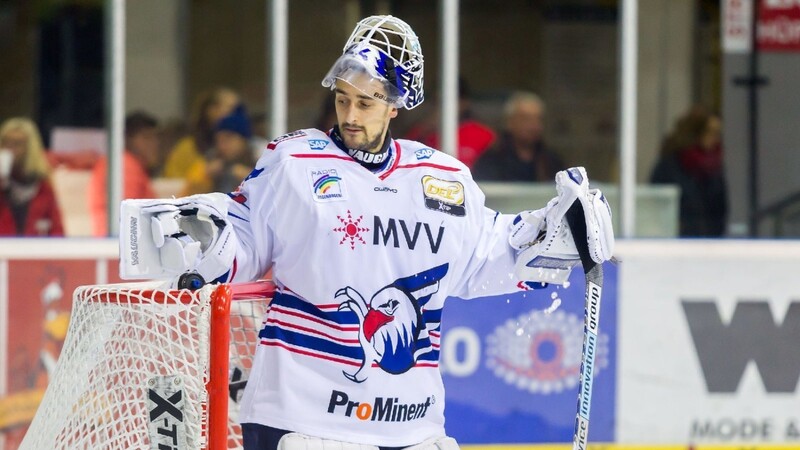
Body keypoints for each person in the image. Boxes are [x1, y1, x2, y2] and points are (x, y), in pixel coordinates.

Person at [118, 15, 615, 450]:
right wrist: (206, 239)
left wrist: (559, 235)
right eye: (342, 99)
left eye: (368, 103)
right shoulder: (294, 161)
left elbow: (487, 256)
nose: (351, 116)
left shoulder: (442, 179)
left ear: (396, 105)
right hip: (303, 417)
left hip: (410, 426)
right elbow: (247, 236)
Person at [650, 105, 727, 236]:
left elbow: (721, 209)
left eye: (718, 133)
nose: (715, 138)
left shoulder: (714, 167)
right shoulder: (670, 166)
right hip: (677, 241)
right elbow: (656, 206)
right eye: (710, 132)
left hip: (710, 243)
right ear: (695, 133)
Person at [87, 111, 159, 236]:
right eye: (146, 137)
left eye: (155, 138)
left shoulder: (123, 164)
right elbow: (127, 219)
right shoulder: (124, 166)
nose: (153, 144)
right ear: (127, 139)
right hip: (121, 247)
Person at [404, 77, 496, 169]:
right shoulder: (422, 132)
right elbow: (406, 157)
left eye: (450, 101)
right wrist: (425, 130)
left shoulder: (482, 133)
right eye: (438, 102)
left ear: (464, 103)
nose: (444, 107)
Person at [472, 91, 565, 181]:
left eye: (538, 119)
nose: (534, 125)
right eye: (526, 119)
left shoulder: (551, 161)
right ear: (509, 122)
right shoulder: (491, 160)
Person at [0, 117, 64, 236]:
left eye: (17, 144)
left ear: (30, 149)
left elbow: (57, 231)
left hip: (31, 251)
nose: (9, 148)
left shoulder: (42, 187)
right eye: (5, 142)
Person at [162, 86, 240, 179]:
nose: (237, 115)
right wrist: (204, 172)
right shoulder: (187, 148)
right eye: (231, 108)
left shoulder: (246, 147)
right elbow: (173, 183)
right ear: (212, 110)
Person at [183, 103, 256, 195]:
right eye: (219, 140)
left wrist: (250, 178)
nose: (222, 145)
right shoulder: (210, 159)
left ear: (243, 140)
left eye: (228, 138)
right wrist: (205, 175)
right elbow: (187, 196)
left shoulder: (258, 157)